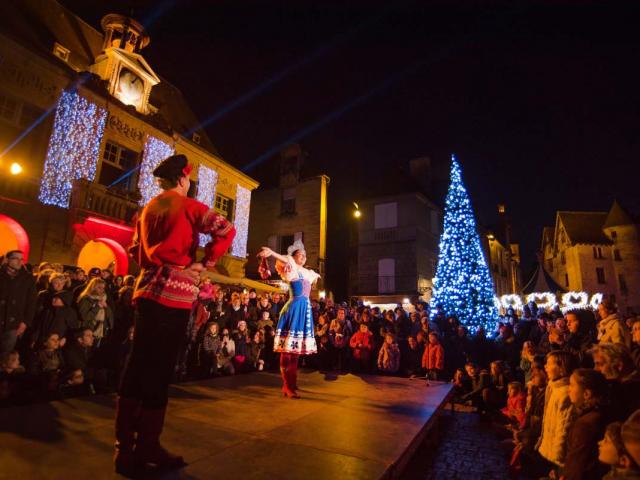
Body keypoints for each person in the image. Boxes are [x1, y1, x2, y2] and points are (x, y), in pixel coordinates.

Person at [115, 154, 235, 475]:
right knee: (159, 370)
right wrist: (205, 261)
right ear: (183, 179)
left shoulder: (148, 209)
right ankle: (149, 446)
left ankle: (124, 448)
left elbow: (134, 250)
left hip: (146, 289)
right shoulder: (187, 205)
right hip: (174, 292)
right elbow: (226, 229)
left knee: (137, 365)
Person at [258, 239, 320, 399]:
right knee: (288, 351)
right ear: (294, 257)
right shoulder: (291, 268)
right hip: (294, 309)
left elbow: (314, 277)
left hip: (304, 310)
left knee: (295, 350)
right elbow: (285, 258)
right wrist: (271, 252)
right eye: (300, 255)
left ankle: (292, 382)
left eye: (305, 255)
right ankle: (287, 385)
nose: (303, 257)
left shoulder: (307, 272)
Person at [559, 368, 609, 480]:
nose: (568, 390)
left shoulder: (585, 425)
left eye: (572, 385)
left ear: (586, 394)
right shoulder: (596, 415)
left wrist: (567, 476)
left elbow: (578, 463)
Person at [536, 350, 576, 469]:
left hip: (558, 456)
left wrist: (558, 454)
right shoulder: (554, 388)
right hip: (549, 446)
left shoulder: (566, 393)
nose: (545, 367)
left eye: (549, 363)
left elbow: (563, 426)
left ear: (561, 367)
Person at [0, 250, 37, 354]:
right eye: (16, 258)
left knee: (5, 355)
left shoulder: (28, 278)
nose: (20, 262)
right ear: (7, 260)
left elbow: (31, 302)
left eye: (21, 259)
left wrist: (25, 322)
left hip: (14, 323)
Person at [77, 278, 114, 347]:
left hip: (100, 331)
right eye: (99, 287)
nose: (102, 290)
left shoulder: (103, 299)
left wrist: (107, 308)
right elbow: (84, 317)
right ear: (92, 287)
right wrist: (97, 307)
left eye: (103, 288)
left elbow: (110, 317)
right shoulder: (86, 299)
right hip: (89, 331)